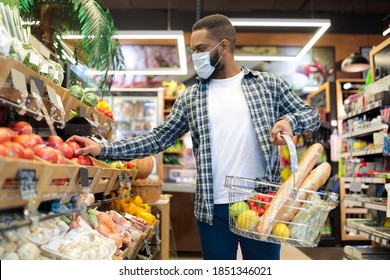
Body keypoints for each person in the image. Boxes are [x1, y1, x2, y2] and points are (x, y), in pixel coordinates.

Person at [67, 14, 320, 260]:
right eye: (193, 51)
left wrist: (289, 121)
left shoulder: (268, 85)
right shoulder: (191, 97)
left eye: (201, 49)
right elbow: (158, 138)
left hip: (263, 204)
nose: (195, 57)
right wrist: (104, 149)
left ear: (224, 46)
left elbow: (311, 115)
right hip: (213, 209)